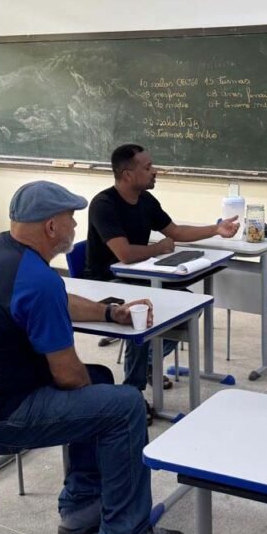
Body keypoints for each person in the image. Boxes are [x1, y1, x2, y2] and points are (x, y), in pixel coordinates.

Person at [0, 180, 186, 534]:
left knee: (103, 381)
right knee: (123, 405)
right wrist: (101, 402)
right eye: (71, 220)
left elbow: (59, 295)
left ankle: (80, 508)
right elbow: (70, 377)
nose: (77, 227)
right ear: (51, 227)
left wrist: (109, 312)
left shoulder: (5, 252)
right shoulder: (34, 280)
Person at [86, 143, 239, 392]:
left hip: (138, 276)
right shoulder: (104, 205)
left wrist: (216, 229)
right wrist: (159, 249)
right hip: (106, 281)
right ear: (128, 175)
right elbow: (124, 254)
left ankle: (148, 363)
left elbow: (175, 231)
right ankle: (133, 391)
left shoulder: (145, 200)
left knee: (188, 306)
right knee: (142, 313)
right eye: (148, 167)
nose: (154, 171)